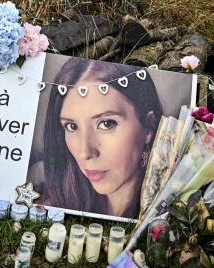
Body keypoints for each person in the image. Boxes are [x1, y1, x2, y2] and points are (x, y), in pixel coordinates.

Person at [43, 57, 162, 218]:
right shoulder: (47, 208)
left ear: (149, 127)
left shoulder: (169, 214)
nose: (85, 152)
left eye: (106, 124)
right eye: (72, 126)